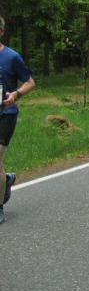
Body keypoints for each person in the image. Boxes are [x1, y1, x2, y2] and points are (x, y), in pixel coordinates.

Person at [0, 16, 35, 225]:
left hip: (6, 114)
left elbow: (30, 82)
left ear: (1, 32)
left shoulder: (12, 57)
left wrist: (15, 94)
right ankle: (6, 180)